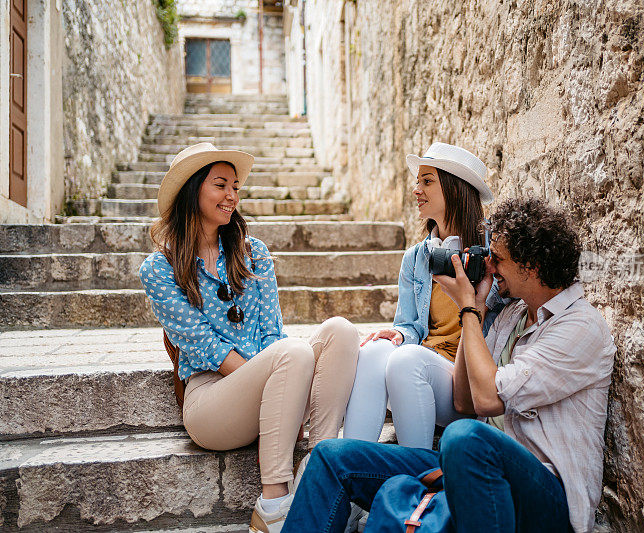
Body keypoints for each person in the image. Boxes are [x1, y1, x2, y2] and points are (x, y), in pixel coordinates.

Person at [282, 196, 617, 533]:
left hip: (546, 492)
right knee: (331, 456)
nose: (490, 267)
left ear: (530, 266)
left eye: (498, 259)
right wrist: (478, 309)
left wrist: (469, 309)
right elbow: (463, 399)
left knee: (463, 436)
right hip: (473, 468)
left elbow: (487, 400)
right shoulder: (513, 315)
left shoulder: (580, 326)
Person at [138, 142, 360, 533]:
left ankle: (319, 466)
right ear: (193, 190)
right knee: (291, 354)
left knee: (340, 331)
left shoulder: (253, 252)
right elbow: (205, 346)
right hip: (211, 401)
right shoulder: (160, 268)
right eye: (221, 185)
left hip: (272, 376)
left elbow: (272, 333)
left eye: (236, 187)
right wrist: (275, 384)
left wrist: (281, 388)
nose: (232, 196)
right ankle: (273, 504)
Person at [343, 142, 496, 450]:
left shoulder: (494, 253)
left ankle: (417, 470)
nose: (416, 190)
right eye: (417, 182)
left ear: (455, 189)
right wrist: (398, 334)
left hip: (467, 382)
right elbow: (411, 326)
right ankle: (350, 457)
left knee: (405, 361)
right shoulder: (416, 258)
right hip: (424, 371)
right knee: (374, 350)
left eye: (427, 181)